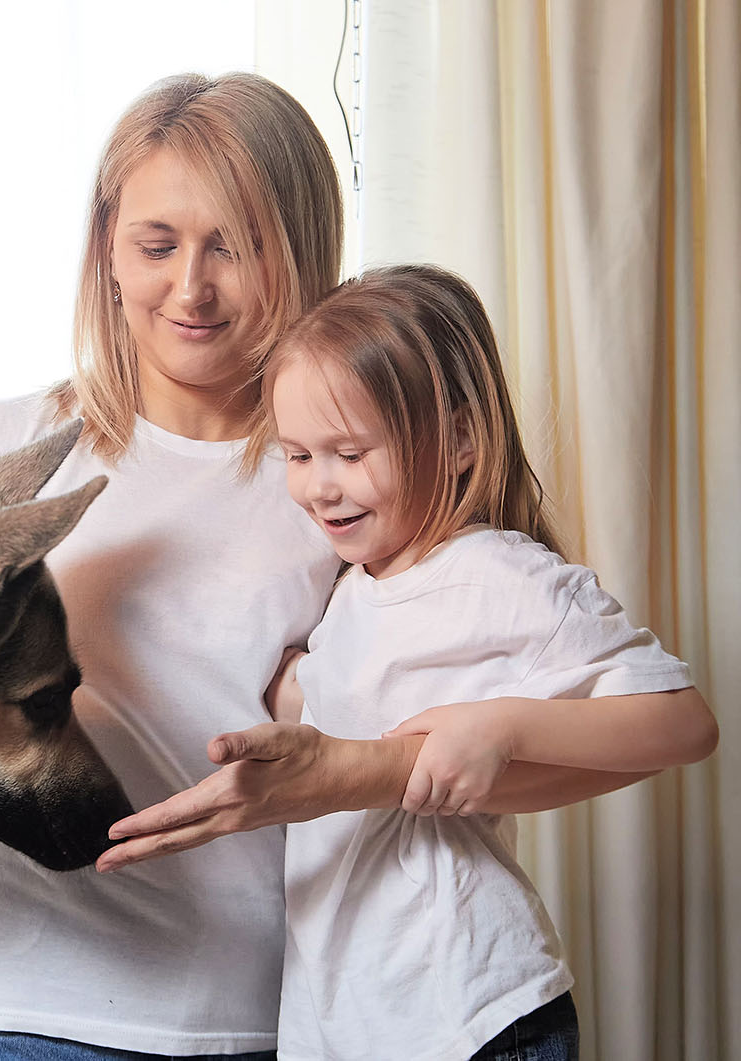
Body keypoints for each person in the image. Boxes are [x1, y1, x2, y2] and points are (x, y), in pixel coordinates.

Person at [0, 71, 347, 1059]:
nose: (188, 287)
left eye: (233, 246)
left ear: (301, 250)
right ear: (107, 244)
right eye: (156, 244)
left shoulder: (336, 487)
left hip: (226, 1023)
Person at [122, 264, 718, 1060]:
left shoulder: (500, 573)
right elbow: (345, 706)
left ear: (462, 439)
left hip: (464, 1009)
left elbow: (683, 722)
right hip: (347, 1019)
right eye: (298, 456)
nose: (320, 488)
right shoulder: (353, 590)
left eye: (350, 452)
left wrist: (498, 726)